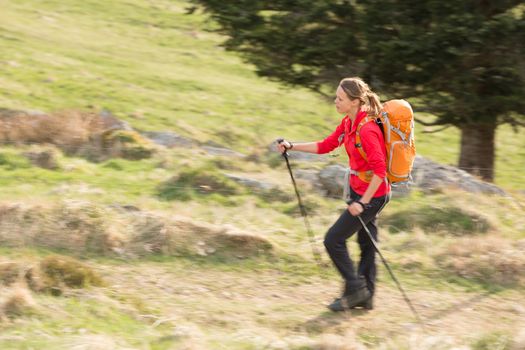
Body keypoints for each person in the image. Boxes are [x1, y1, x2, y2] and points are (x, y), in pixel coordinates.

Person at [277, 77, 391, 311]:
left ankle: (355, 288)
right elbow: (326, 145)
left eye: (340, 98)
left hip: (373, 195)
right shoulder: (349, 124)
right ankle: (366, 296)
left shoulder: (367, 129)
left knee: (333, 240)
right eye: (336, 97)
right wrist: (292, 146)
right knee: (367, 242)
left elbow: (381, 171)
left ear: (355, 101)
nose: (335, 101)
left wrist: (363, 203)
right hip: (360, 191)